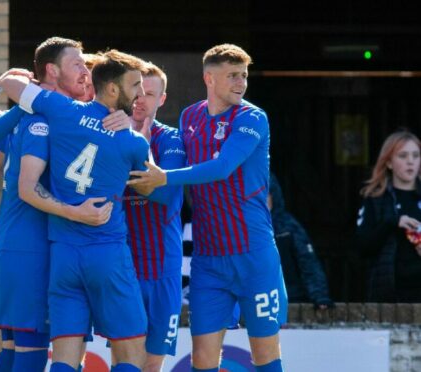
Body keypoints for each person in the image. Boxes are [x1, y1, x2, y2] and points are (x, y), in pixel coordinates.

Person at [0, 37, 131, 372]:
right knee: (30, 357)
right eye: (77, 65)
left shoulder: (45, 117)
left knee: (12, 354)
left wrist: (121, 119)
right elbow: (24, 185)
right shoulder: (42, 120)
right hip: (31, 250)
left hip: (17, 246)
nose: (85, 73)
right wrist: (76, 212)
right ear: (52, 71)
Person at [127, 43, 287, 372]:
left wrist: (163, 178)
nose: (241, 82)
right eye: (232, 76)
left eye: (243, 75)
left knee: (264, 354)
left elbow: (222, 167)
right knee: (202, 358)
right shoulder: (190, 117)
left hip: (253, 254)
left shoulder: (252, 118)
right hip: (209, 261)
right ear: (209, 78)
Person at [0, 48, 150, 372]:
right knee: (133, 353)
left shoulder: (62, 111)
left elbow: (11, 85)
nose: (142, 93)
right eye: (136, 85)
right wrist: (136, 132)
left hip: (63, 256)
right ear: (112, 89)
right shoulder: (132, 141)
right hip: (107, 253)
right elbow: (152, 184)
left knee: (64, 358)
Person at [122, 62, 186, 372]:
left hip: (163, 267)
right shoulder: (110, 135)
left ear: (162, 99)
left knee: (151, 365)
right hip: (123, 266)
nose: (141, 99)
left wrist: (140, 149)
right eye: (136, 90)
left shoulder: (173, 140)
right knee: (125, 361)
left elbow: (165, 194)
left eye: (149, 93)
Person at [356, 130, 421, 303]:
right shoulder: (374, 199)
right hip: (388, 294)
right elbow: (362, 247)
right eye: (403, 155)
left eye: (415, 155)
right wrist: (393, 222)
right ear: (389, 162)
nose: (410, 161)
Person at [268, 173, 333, 308]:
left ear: (274, 196)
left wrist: (320, 296)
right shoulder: (237, 229)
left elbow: (308, 263)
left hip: (291, 300)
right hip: (251, 302)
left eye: (266, 195)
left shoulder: (288, 226)